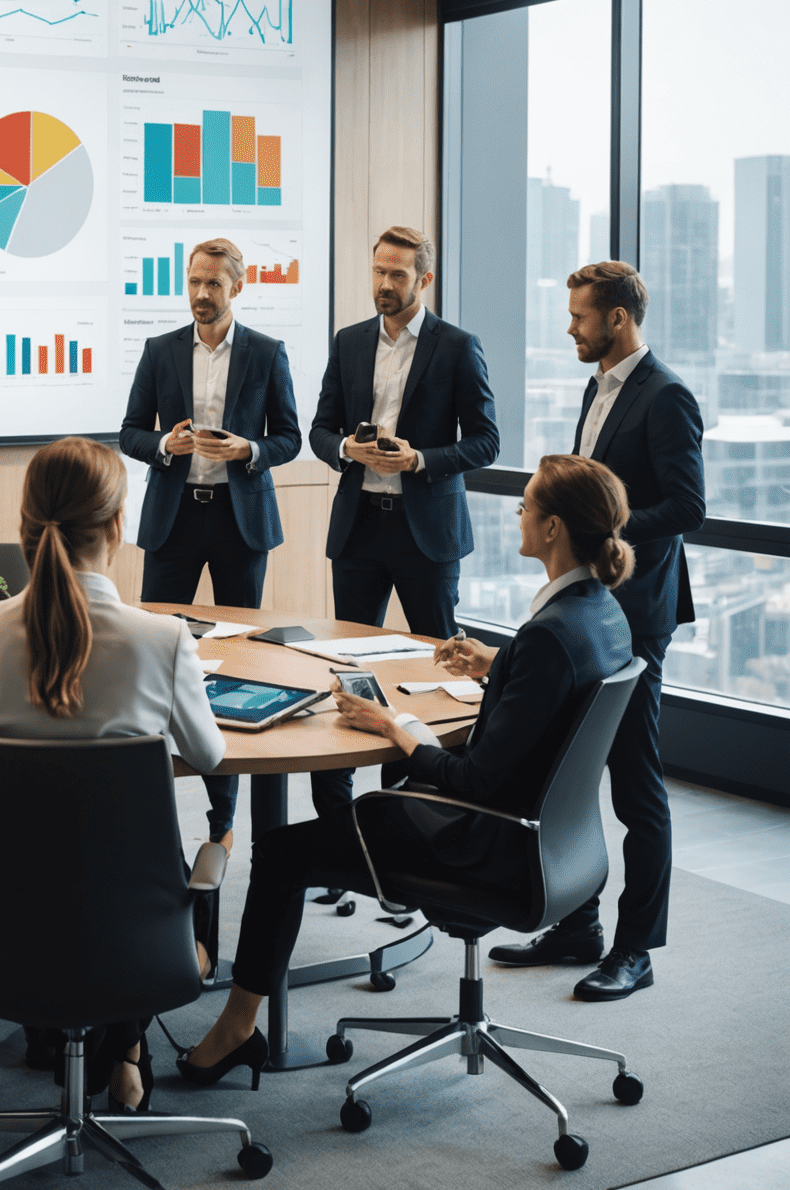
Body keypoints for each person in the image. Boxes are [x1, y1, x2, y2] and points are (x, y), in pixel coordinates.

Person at [178, 454, 634, 1086]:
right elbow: (551, 683)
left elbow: (474, 781)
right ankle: (239, 1024)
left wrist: (397, 728)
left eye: (526, 504)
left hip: (482, 845)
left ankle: (235, 1030)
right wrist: (496, 664)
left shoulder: (547, 638)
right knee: (304, 842)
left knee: (283, 854)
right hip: (560, 847)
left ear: (554, 529)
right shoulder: (599, 614)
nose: (518, 512)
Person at [0, 435, 226, 1112]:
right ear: (118, 526)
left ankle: (99, 1045)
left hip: (2, 920)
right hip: (134, 935)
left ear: (25, 527)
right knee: (144, 866)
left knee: (64, 863)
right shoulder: (162, 640)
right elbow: (211, 756)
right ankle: (124, 1046)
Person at [489, 262, 705, 1000]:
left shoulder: (666, 395)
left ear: (617, 318)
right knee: (569, 772)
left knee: (636, 787)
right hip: (589, 609)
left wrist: (599, 533)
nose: (572, 328)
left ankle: (636, 948)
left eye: (581, 316)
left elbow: (687, 506)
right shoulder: (598, 387)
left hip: (635, 618)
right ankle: (578, 926)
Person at [307, 225, 499, 817]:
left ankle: (412, 818)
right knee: (347, 671)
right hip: (361, 526)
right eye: (378, 271)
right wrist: (346, 450)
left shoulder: (457, 346)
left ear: (424, 279)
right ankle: (337, 826)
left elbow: (487, 442)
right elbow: (319, 430)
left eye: (397, 274)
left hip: (427, 533)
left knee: (435, 671)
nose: (384, 284)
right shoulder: (348, 342)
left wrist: (420, 459)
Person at [119, 238, 300, 853]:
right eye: (194, 282)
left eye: (213, 284)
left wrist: (248, 449)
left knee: (240, 664)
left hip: (238, 522)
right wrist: (166, 446)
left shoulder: (268, 353)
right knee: (150, 658)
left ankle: (223, 821)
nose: (201, 294)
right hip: (174, 520)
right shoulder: (160, 350)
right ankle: (145, 808)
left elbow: (290, 438)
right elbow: (129, 432)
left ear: (237, 288)